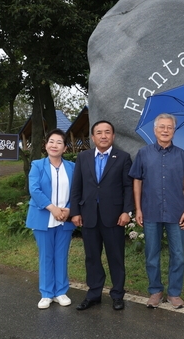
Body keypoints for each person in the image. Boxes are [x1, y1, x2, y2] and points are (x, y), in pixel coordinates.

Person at [129, 113, 184, 309]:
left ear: (174, 131)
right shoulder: (143, 153)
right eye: (162, 127)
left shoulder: (181, 154)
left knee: (178, 254)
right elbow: (137, 182)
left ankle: (174, 293)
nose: (166, 130)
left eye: (169, 127)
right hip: (150, 211)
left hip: (176, 212)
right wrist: (138, 208)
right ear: (155, 130)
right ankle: (155, 291)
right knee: (151, 253)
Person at [70, 120, 134, 311]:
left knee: (116, 257)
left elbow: (128, 187)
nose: (103, 136)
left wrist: (126, 211)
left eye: (107, 132)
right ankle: (94, 294)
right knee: (92, 257)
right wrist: (75, 212)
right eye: (99, 132)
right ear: (93, 137)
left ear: (113, 136)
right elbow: (77, 187)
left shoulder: (123, 157)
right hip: (89, 215)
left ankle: (117, 295)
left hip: (114, 216)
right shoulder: (83, 157)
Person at [26, 129, 76, 309]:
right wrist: (52, 208)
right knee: (46, 256)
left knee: (61, 255)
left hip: (65, 218)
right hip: (43, 218)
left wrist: (68, 209)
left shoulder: (72, 167)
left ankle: (61, 291)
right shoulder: (37, 165)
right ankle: (46, 293)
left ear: (64, 148)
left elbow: (77, 191)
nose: (54, 145)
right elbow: (34, 189)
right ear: (46, 145)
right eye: (51, 141)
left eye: (59, 142)